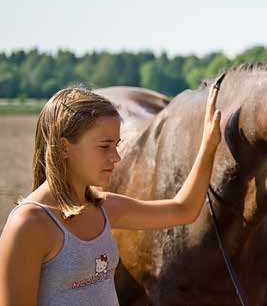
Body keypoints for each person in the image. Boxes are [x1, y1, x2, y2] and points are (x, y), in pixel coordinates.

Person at [0, 84, 222, 305]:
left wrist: (209, 145)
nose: (116, 157)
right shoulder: (28, 225)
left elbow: (183, 209)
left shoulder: (104, 208)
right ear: (64, 147)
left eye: (116, 145)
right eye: (105, 146)